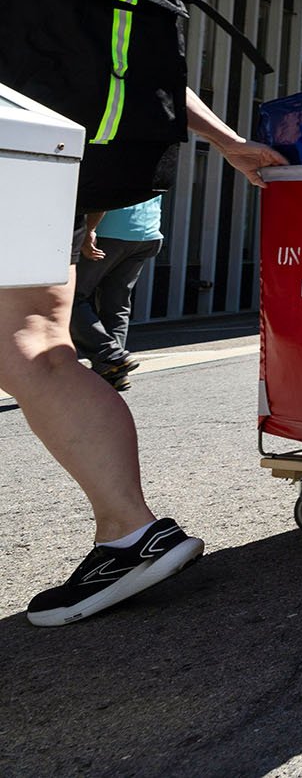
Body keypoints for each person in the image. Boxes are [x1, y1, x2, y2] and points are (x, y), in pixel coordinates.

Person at [0, 88, 286, 626]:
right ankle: (130, 528)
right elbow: (152, 74)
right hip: (40, 159)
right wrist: (226, 140)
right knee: (43, 347)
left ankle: (130, 529)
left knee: (31, 350)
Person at [70, 194, 165, 392]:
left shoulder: (115, 161)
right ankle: (115, 373)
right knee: (116, 304)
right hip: (147, 233)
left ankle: (111, 355)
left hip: (110, 233)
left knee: (70, 299)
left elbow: (105, 193)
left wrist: (89, 230)